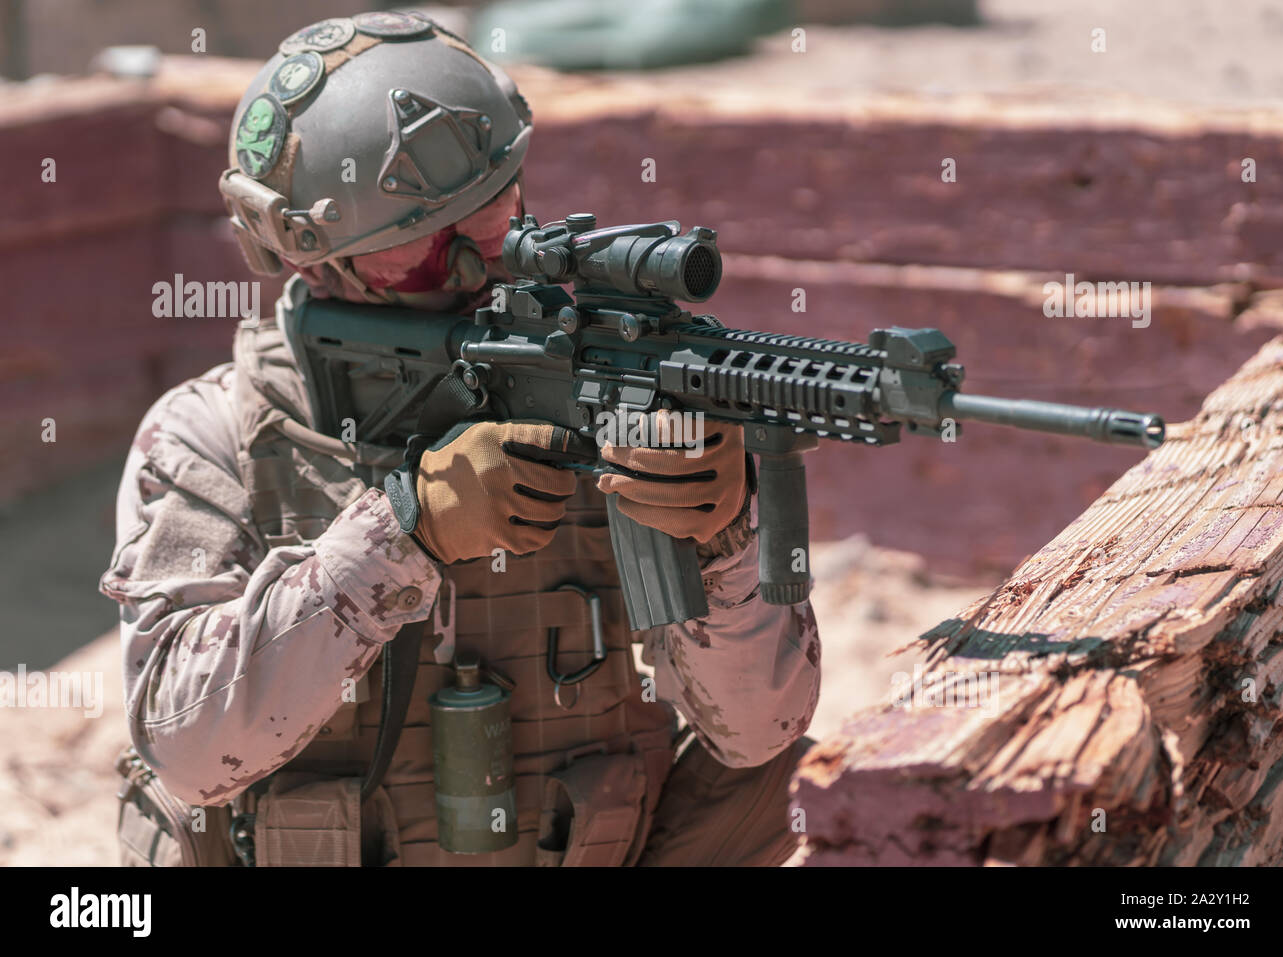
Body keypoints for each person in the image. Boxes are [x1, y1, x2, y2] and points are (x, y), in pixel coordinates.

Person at [101, 11, 820, 867]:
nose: (479, 269)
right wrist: (403, 532)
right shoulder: (213, 434)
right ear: (313, 262)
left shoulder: (603, 380)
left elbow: (758, 731)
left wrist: (724, 542)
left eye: (494, 220)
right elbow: (182, 750)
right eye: (421, 254)